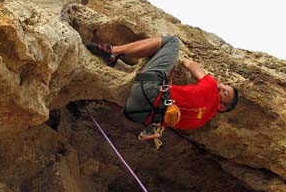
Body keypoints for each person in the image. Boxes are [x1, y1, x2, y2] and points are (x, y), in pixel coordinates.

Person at [86, 36, 238, 142]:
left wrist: (184, 60)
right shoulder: (198, 122)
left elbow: (190, 65)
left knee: (172, 42)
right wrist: (169, 81)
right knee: (163, 104)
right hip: (136, 112)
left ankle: (113, 51)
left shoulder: (211, 85)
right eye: (225, 86)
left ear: (222, 107)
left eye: (225, 92)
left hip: (147, 91)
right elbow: (170, 110)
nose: (222, 86)